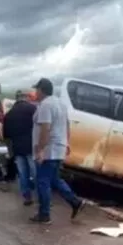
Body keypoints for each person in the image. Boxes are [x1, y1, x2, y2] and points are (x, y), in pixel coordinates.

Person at [30, 78, 85, 224]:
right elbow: (66, 125)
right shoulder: (61, 104)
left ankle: (44, 214)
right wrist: (66, 143)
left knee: (43, 182)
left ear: (41, 90)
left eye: (37, 90)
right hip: (58, 148)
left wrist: (40, 150)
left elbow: (45, 128)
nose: (35, 92)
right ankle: (75, 202)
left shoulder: (45, 105)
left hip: (49, 150)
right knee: (54, 179)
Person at [3, 90, 37, 205]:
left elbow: (6, 135)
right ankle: (42, 197)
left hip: (17, 148)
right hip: (32, 146)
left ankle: (27, 197)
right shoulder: (33, 109)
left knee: (23, 174)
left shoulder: (9, 114)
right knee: (36, 172)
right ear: (25, 97)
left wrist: (10, 150)